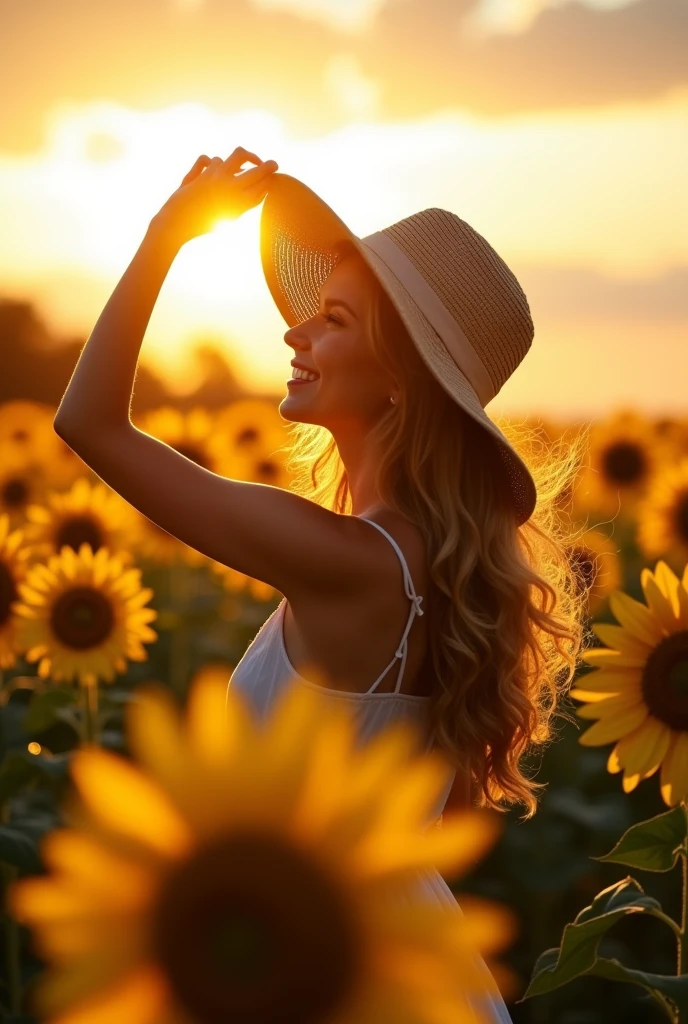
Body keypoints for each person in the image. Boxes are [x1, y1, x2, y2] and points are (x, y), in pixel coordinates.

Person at [53, 147, 588, 1022]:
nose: (295, 333)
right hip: (396, 962)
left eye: (333, 319)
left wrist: (164, 239)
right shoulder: (430, 569)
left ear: (400, 380)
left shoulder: (346, 560)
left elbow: (89, 422)